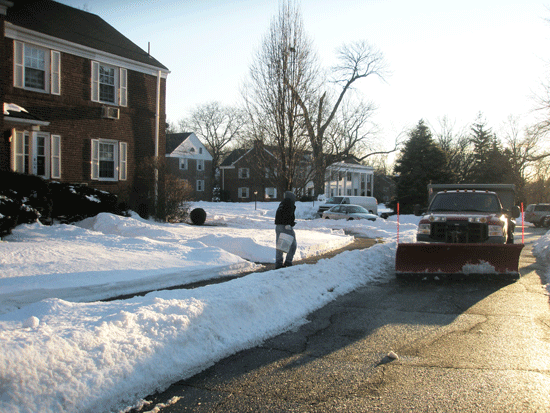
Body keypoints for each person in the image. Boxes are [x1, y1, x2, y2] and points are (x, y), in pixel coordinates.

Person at [274, 191, 297, 269]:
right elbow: (288, 214)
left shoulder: (282, 203)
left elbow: (279, 215)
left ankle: (278, 264)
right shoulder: (289, 202)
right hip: (285, 226)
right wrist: (289, 223)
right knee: (293, 244)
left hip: (278, 226)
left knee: (280, 245)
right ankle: (288, 262)